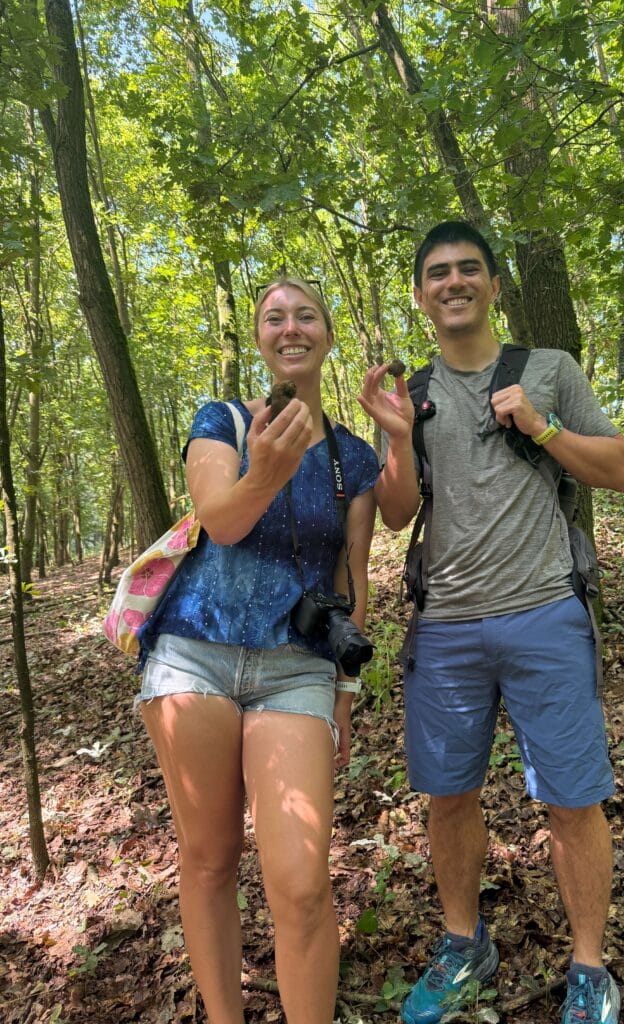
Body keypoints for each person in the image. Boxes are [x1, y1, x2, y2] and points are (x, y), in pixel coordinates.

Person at [358, 222, 624, 1024]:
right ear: (420, 294)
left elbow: (618, 468)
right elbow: (396, 514)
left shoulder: (550, 370)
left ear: (494, 286)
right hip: (444, 627)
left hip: (546, 611)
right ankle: (463, 944)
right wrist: (400, 438)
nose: (453, 282)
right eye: (437, 273)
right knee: (449, 795)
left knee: (572, 800)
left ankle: (589, 970)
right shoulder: (407, 393)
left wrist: (541, 427)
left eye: (468, 269)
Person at [135, 277, 379, 1024]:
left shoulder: (353, 458)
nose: (291, 327)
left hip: (296, 667)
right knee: (209, 860)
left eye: (306, 314)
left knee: (302, 882)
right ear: (260, 338)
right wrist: (265, 470)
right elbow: (222, 520)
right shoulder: (223, 421)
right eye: (275, 317)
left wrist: (345, 692)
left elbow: (352, 574)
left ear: (328, 334)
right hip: (194, 655)